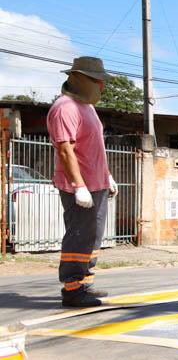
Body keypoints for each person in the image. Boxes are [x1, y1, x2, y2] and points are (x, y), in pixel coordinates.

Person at [47, 56, 118, 308]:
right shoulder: (64, 107)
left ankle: (85, 281)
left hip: (96, 184)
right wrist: (78, 186)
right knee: (79, 236)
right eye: (98, 81)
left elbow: (94, 146)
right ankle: (72, 289)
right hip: (79, 187)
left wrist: (106, 175)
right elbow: (65, 150)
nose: (102, 86)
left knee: (93, 236)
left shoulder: (87, 107)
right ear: (81, 79)